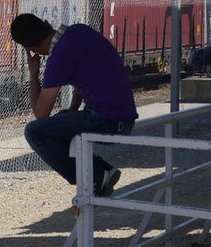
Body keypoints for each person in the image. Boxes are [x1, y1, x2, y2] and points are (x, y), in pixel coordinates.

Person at [10, 13, 137, 196]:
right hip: (125, 118)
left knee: (34, 131)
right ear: (46, 23)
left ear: (30, 49)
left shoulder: (57, 58)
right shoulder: (79, 31)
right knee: (58, 126)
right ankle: (101, 171)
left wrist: (33, 73)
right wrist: (72, 110)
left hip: (107, 122)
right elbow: (83, 81)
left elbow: (41, 113)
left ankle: (94, 174)